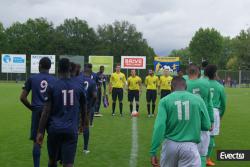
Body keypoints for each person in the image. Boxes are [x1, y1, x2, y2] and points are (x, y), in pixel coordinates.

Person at [36, 58, 87, 167]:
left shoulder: (52, 86)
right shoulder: (79, 86)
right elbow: (84, 108)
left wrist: (40, 132)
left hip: (54, 130)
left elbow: (46, 111)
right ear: (70, 69)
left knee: (52, 161)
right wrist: (83, 124)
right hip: (71, 130)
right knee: (68, 164)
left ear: (58, 69)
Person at [150, 76, 211, 167]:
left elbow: (159, 126)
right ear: (186, 87)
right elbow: (207, 125)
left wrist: (153, 150)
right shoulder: (198, 100)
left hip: (169, 146)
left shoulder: (164, 101)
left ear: (171, 88)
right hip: (190, 147)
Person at [20, 57, 56, 167]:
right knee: (52, 140)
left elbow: (22, 97)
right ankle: (52, 163)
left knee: (37, 140)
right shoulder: (55, 80)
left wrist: (32, 108)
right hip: (50, 112)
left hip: (37, 111)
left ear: (39, 65)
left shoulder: (32, 78)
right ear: (50, 67)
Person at [186, 64, 214, 167]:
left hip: (187, 122)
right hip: (202, 121)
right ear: (198, 72)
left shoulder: (184, 84)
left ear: (187, 72)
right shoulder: (205, 83)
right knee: (202, 154)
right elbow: (210, 105)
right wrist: (211, 121)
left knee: (187, 153)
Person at [205, 65, 226, 166]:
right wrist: (221, 114)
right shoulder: (220, 86)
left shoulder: (203, 84)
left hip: (203, 110)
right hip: (214, 111)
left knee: (201, 134)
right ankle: (207, 159)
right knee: (211, 136)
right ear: (215, 74)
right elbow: (223, 104)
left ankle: (197, 155)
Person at [76, 63, 97, 154]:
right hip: (86, 108)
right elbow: (95, 96)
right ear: (90, 72)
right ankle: (85, 148)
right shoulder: (92, 82)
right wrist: (91, 105)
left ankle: (72, 145)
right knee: (85, 127)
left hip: (76, 107)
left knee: (74, 126)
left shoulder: (77, 79)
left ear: (83, 71)